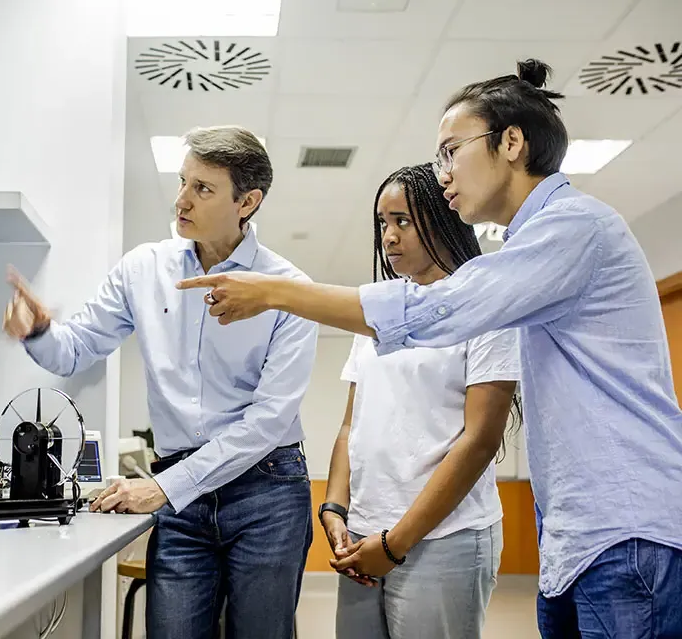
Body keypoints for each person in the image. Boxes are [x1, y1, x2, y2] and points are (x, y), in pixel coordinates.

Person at [177, 60, 682, 637]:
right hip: (576, 535)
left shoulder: (573, 229)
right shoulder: (532, 247)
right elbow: (358, 418)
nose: (442, 173)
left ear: (511, 142)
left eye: (451, 150)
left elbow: (434, 314)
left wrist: (276, 291)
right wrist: (340, 509)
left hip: (625, 533)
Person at [2, 125, 318, 639]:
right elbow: (77, 349)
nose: (182, 200)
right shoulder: (143, 270)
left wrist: (162, 488)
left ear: (248, 201)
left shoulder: (289, 291)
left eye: (203, 188)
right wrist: (38, 330)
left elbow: (267, 423)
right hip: (180, 491)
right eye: (183, 181)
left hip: (267, 490)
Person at [322, 163, 519, 639]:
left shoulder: (487, 310)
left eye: (403, 221)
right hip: (364, 538)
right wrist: (334, 508)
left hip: (442, 541)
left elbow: (479, 441)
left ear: (444, 216)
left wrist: (395, 545)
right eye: (382, 223)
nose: (388, 236)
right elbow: (352, 426)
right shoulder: (378, 313)